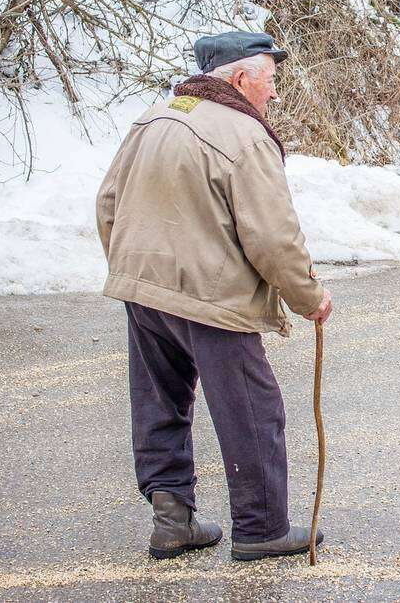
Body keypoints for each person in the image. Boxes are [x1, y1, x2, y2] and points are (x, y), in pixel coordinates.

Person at [95, 31, 333, 561]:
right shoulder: (244, 135)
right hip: (210, 295)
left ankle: (173, 520)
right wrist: (307, 296)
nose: (273, 94)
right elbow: (272, 236)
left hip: (144, 288)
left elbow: (108, 202)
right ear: (242, 77)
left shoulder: (152, 119)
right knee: (253, 409)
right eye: (270, 81)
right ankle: (263, 528)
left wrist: (132, 268)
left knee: (160, 402)